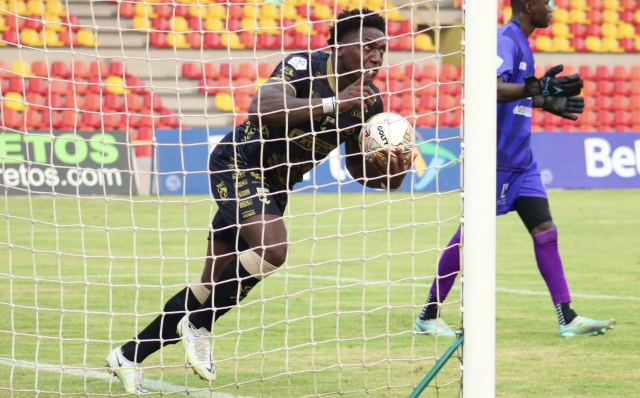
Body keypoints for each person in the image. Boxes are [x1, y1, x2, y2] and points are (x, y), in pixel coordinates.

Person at [105, 9, 413, 394]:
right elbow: (262, 107)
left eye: (382, 49)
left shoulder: (369, 102)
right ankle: (199, 325)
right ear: (338, 46)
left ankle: (129, 355)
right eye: (367, 47)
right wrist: (335, 103)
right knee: (273, 250)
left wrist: (393, 173)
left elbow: (358, 171)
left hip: (275, 187)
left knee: (210, 283)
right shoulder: (305, 65)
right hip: (239, 162)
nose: (376, 56)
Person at [414, 0, 616, 338]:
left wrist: (543, 100)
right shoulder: (505, 40)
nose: (553, 8)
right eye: (547, 2)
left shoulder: (523, 42)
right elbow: (487, 88)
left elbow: (519, 94)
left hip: (522, 161)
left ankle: (568, 318)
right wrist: (531, 90)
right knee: (470, 237)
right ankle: (429, 314)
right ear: (530, 5)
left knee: (546, 232)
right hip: (495, 160)